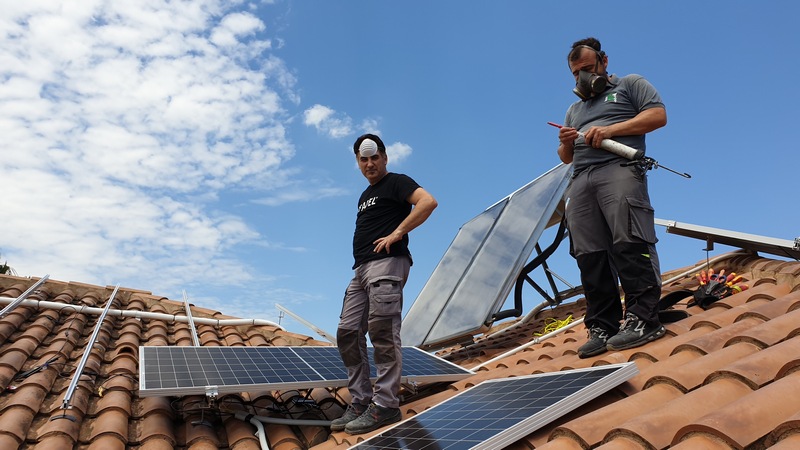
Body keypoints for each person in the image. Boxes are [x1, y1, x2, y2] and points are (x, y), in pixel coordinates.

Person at [556, 37, 667, 358]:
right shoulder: (574, 109)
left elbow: (658, 116)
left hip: (618, 168)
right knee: (588, 252)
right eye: (576, 74)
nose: (582, 78)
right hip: (580, 179)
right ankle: (602, 324)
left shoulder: (631, 84)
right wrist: (565, 141)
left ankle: (643, 318)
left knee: (629, 239)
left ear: (604, 61)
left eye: (588, 69)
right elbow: (565, 157)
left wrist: (609, 130)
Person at [331, 133, 438, 434]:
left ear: (385, 157)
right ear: (358, 163)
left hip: (387, 265)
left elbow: (428, 202)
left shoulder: (397, 182)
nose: (369, 163)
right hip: (360, 270)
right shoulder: (364, 196)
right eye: (363, 159)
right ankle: (362, 402)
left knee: (382, 331)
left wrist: (398, 233)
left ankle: (387, 405)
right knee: (348, 332)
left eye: (374, 157)